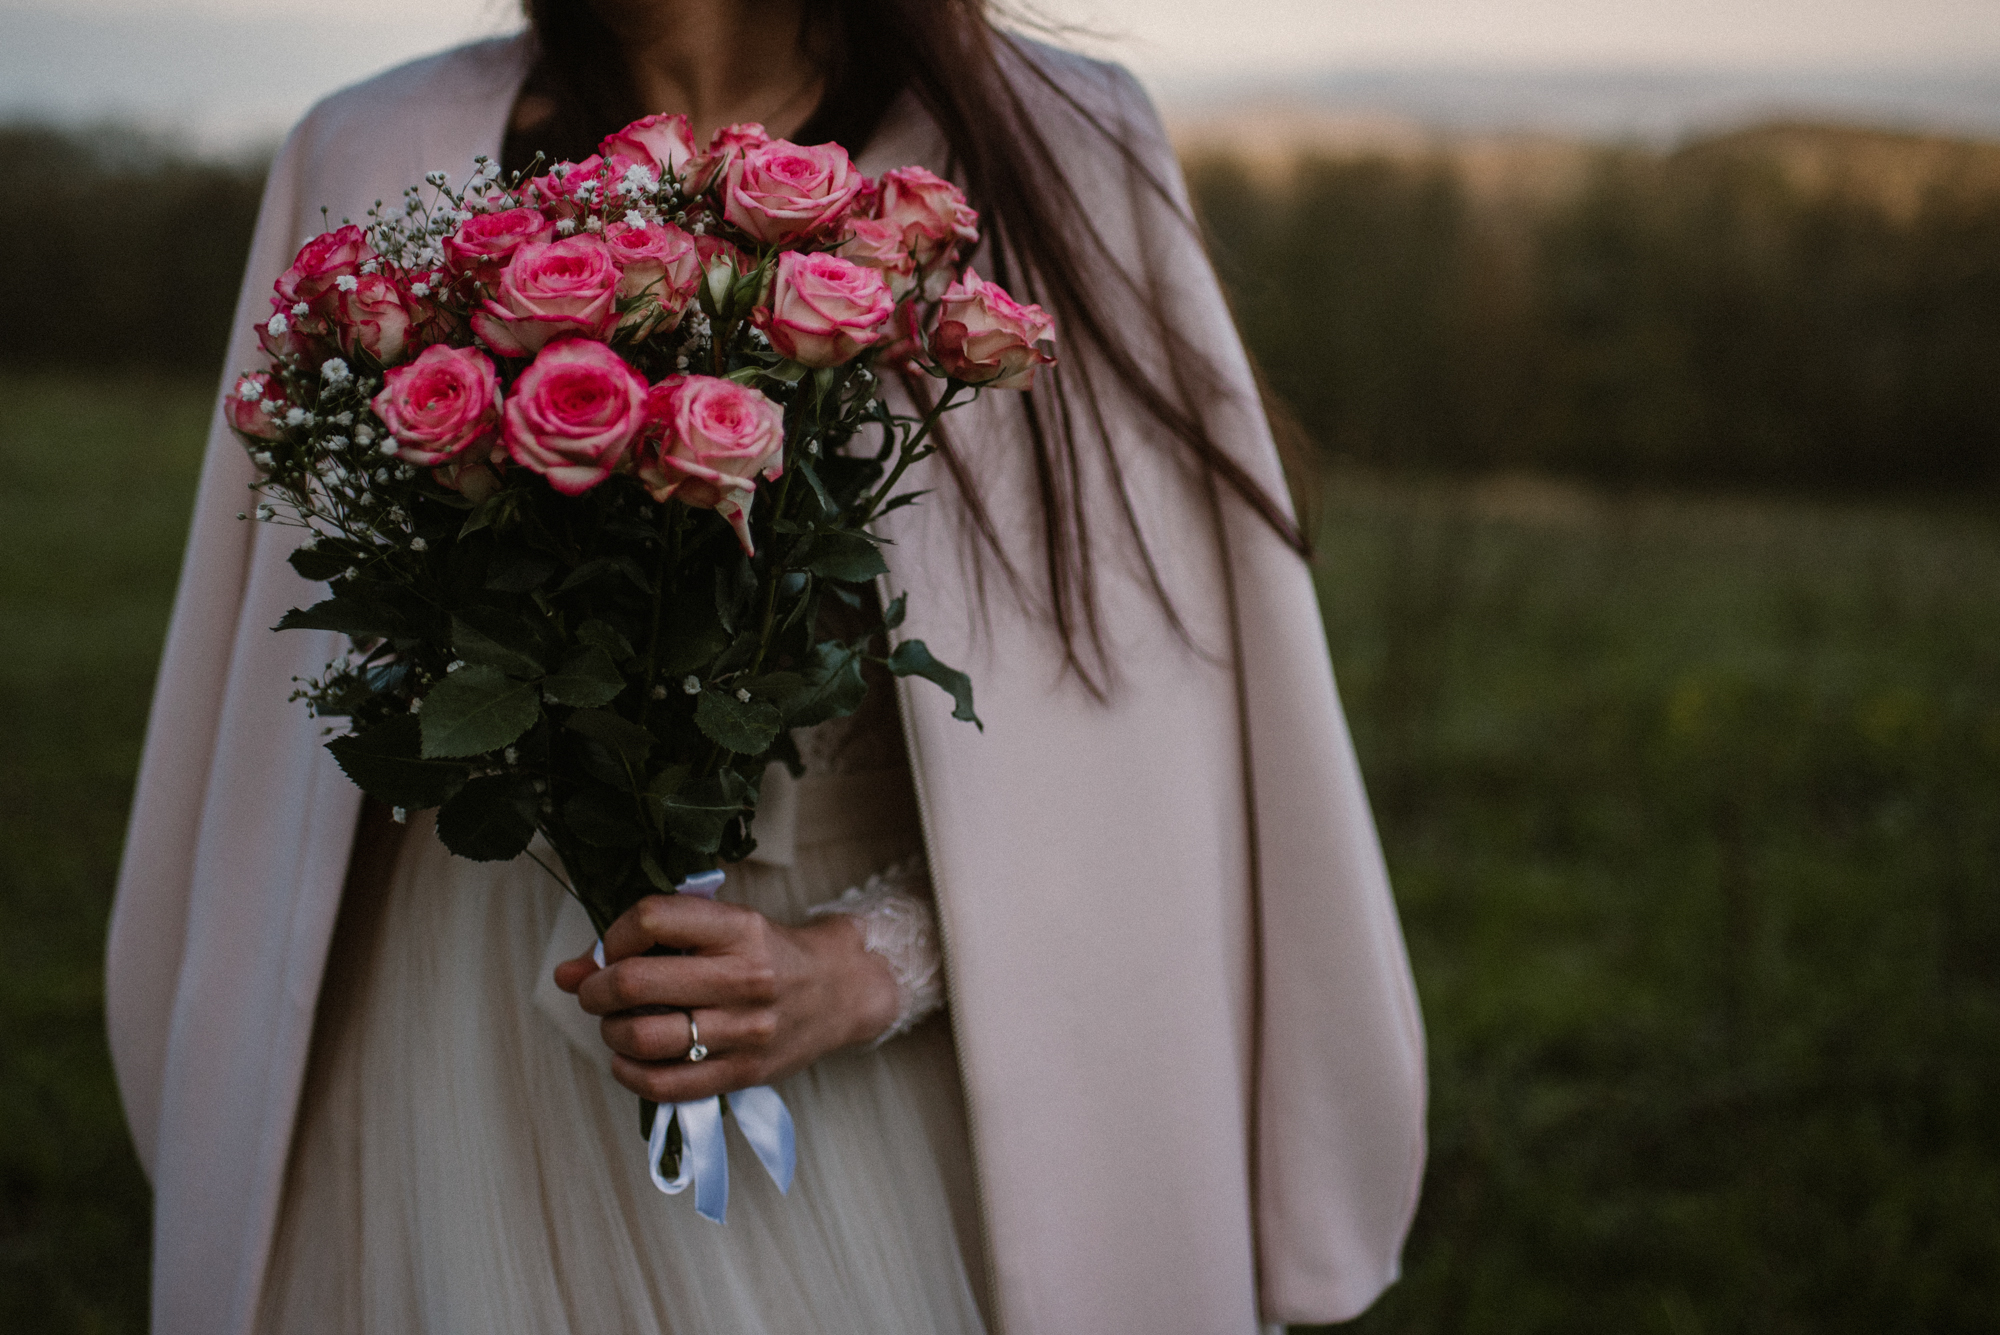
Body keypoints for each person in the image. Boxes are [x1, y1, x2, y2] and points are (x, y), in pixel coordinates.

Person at [105, 2, 1429, 1332]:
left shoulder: (1061, 150)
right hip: (452, 1046)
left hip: (859, 1070)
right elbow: (278, 726)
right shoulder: (370, 151)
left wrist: (860, 971)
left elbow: (1137, 746)